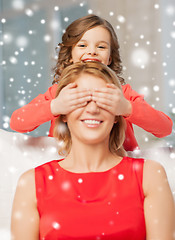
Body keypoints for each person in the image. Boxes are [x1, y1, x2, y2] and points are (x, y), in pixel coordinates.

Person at [11, 62, 175, 240]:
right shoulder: (31, 184)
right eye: (80, 100)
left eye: (103, 101)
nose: (92, 109)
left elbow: (163, 126)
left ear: (116, 114)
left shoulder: (150, 176)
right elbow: (18, 121)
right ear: (63, 113)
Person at [10, 14, 173, 151]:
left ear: (110, 58)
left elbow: (164, 128)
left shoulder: (122, 94)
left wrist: (127, 107)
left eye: (101, 47)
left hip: (119, 171)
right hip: (69, 171)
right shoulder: (57, 93)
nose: (92, 51)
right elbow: (17, 122)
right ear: (70, 55)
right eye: (82, 45)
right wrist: (55, 106)